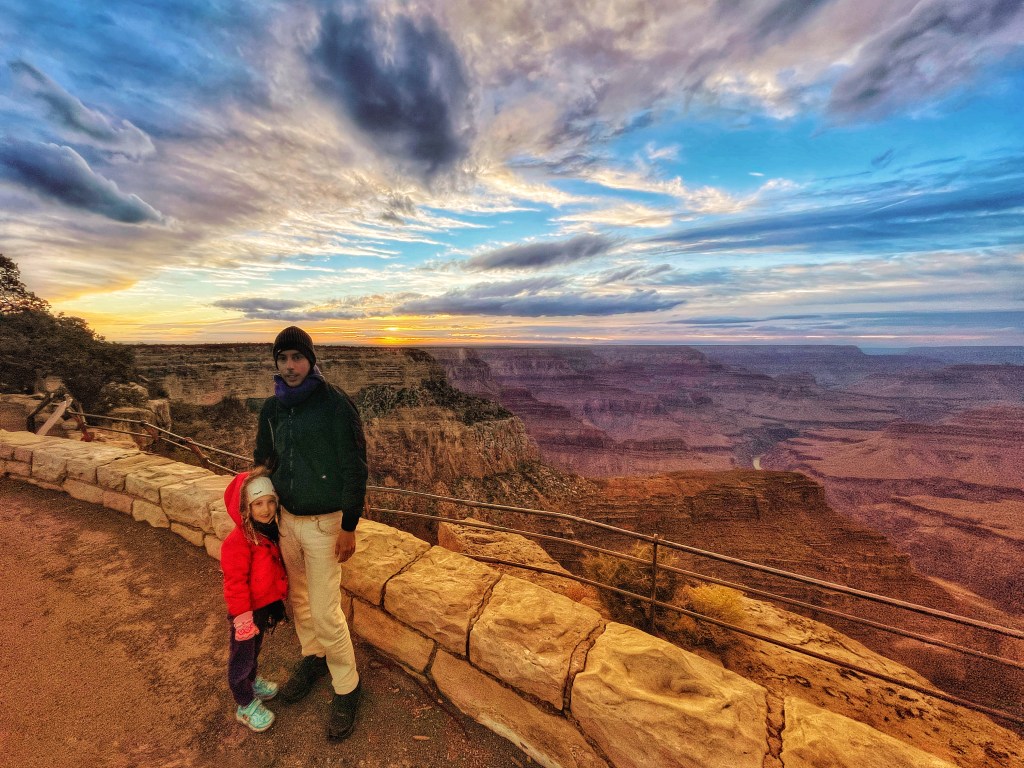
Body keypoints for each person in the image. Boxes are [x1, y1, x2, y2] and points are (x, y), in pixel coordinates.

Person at [253, 325, 369, 742]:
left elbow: (355, 466)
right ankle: (313, 656)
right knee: (299, 600)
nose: (289, 367)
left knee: (325, 609)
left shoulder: (336, 405)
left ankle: (347, 685)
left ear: (311, 360)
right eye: (282, 359)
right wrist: (258, 501)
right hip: (286, 521)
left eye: (296, 358)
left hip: (325, 524)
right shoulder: (272, 408)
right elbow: (263, 459)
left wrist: (349, 526)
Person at [221, 468, 289, 732]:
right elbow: (234, 583)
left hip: (262, 607)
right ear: (245, 507)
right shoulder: (238, 541)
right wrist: (242, 618)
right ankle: (244, 702)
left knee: (254, 650)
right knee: (241, 655)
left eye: (271, 501)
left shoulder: (267, 532)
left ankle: (250, 680)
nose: (266, 508)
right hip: (245, 613)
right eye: (258, 503)